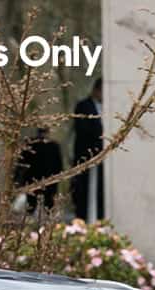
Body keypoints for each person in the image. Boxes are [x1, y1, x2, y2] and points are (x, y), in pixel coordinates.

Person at [71, 78, 105, 221]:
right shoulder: (83, 106)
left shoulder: (110, 107)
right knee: (84, 194)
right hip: (87, 157)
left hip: (104, 160)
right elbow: (83, 132)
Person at [14, 128, 63, 213]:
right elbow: (59, 166)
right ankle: (47, 223)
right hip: (48, 179)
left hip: (32, 178)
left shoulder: (30, 144)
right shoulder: (53, 145)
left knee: (31, 204)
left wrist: (17, 178)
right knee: (48, 205)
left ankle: (30, 221)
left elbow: (21, 163)